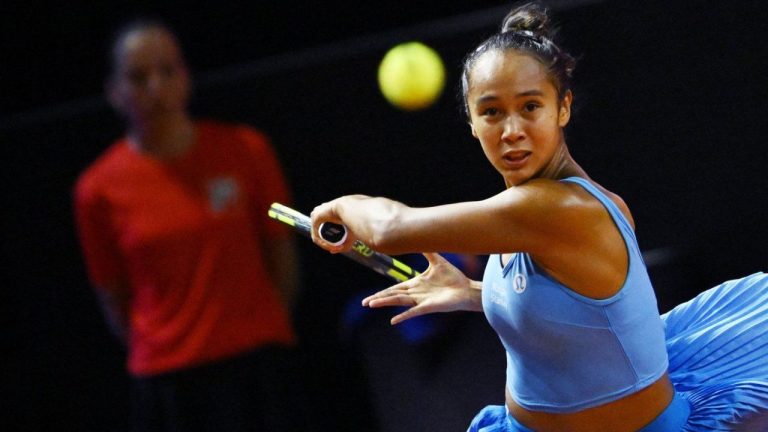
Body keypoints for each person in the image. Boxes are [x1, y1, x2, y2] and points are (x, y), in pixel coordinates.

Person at [309, 2, 768, 431]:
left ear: (563, 107)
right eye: (491, 112)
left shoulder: (555, 208)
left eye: (531, 107)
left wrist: (341, 206)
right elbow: (578, 316)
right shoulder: (526, 207)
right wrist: (474, 292)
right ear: (471, 121)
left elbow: (391, 229)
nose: (512, 131)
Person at [73, 20, 305, 431]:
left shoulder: (246, 149)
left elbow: (280, 252)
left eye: (167, 71)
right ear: (115, 92)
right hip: (168, 378)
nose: (155, 87)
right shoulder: (96, 188)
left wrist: (262, 323)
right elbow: (112, 295)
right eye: (138, 76)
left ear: (186, 77)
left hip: (255, 362)